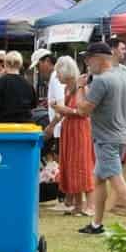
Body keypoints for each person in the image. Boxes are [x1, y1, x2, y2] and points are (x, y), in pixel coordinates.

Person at [64, 41, 126, 235]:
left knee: (116, 179)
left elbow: (83, 110)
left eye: (88, 59)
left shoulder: (100, 81)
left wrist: (81, 87)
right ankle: (96, 224)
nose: (86, 63)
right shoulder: (121, 77)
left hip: (105, 139)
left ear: (99, 59)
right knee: (99, 180)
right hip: (118, 136)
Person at [50, 55, 93, 216]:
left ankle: (90, 205)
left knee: (82, 165)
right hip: (69, 129)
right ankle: (78, 205)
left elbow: (84, 112)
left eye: (58, 73)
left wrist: (63, 110)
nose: (57, 76)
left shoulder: (81, 87)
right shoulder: (68, 88)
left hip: (80, 129)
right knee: (71, 166)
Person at [0, 50, 37, 123]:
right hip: (25, 128)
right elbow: (32, 107)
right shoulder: (28, 84)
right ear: (20, 65)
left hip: (4, 128)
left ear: (5, 64)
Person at [30, 49, 55, 127]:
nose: (38, 70)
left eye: (38, 66)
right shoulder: (53, 78)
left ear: (47, 61)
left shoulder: (56, 77)